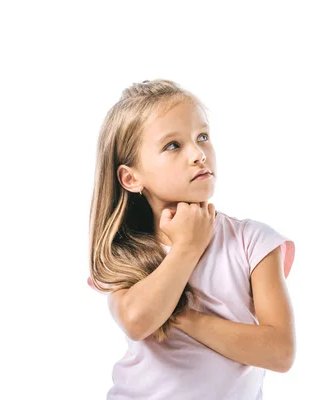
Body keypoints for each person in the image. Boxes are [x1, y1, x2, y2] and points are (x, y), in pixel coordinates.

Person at [87, 79, 296, 399]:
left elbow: (279, 352)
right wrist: (187, 247)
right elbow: (137, 321)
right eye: (173, 145)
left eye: (202, 137)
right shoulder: (122, 253)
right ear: (131, 177)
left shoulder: (253, 241)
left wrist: (180, 316)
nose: (198, 154)